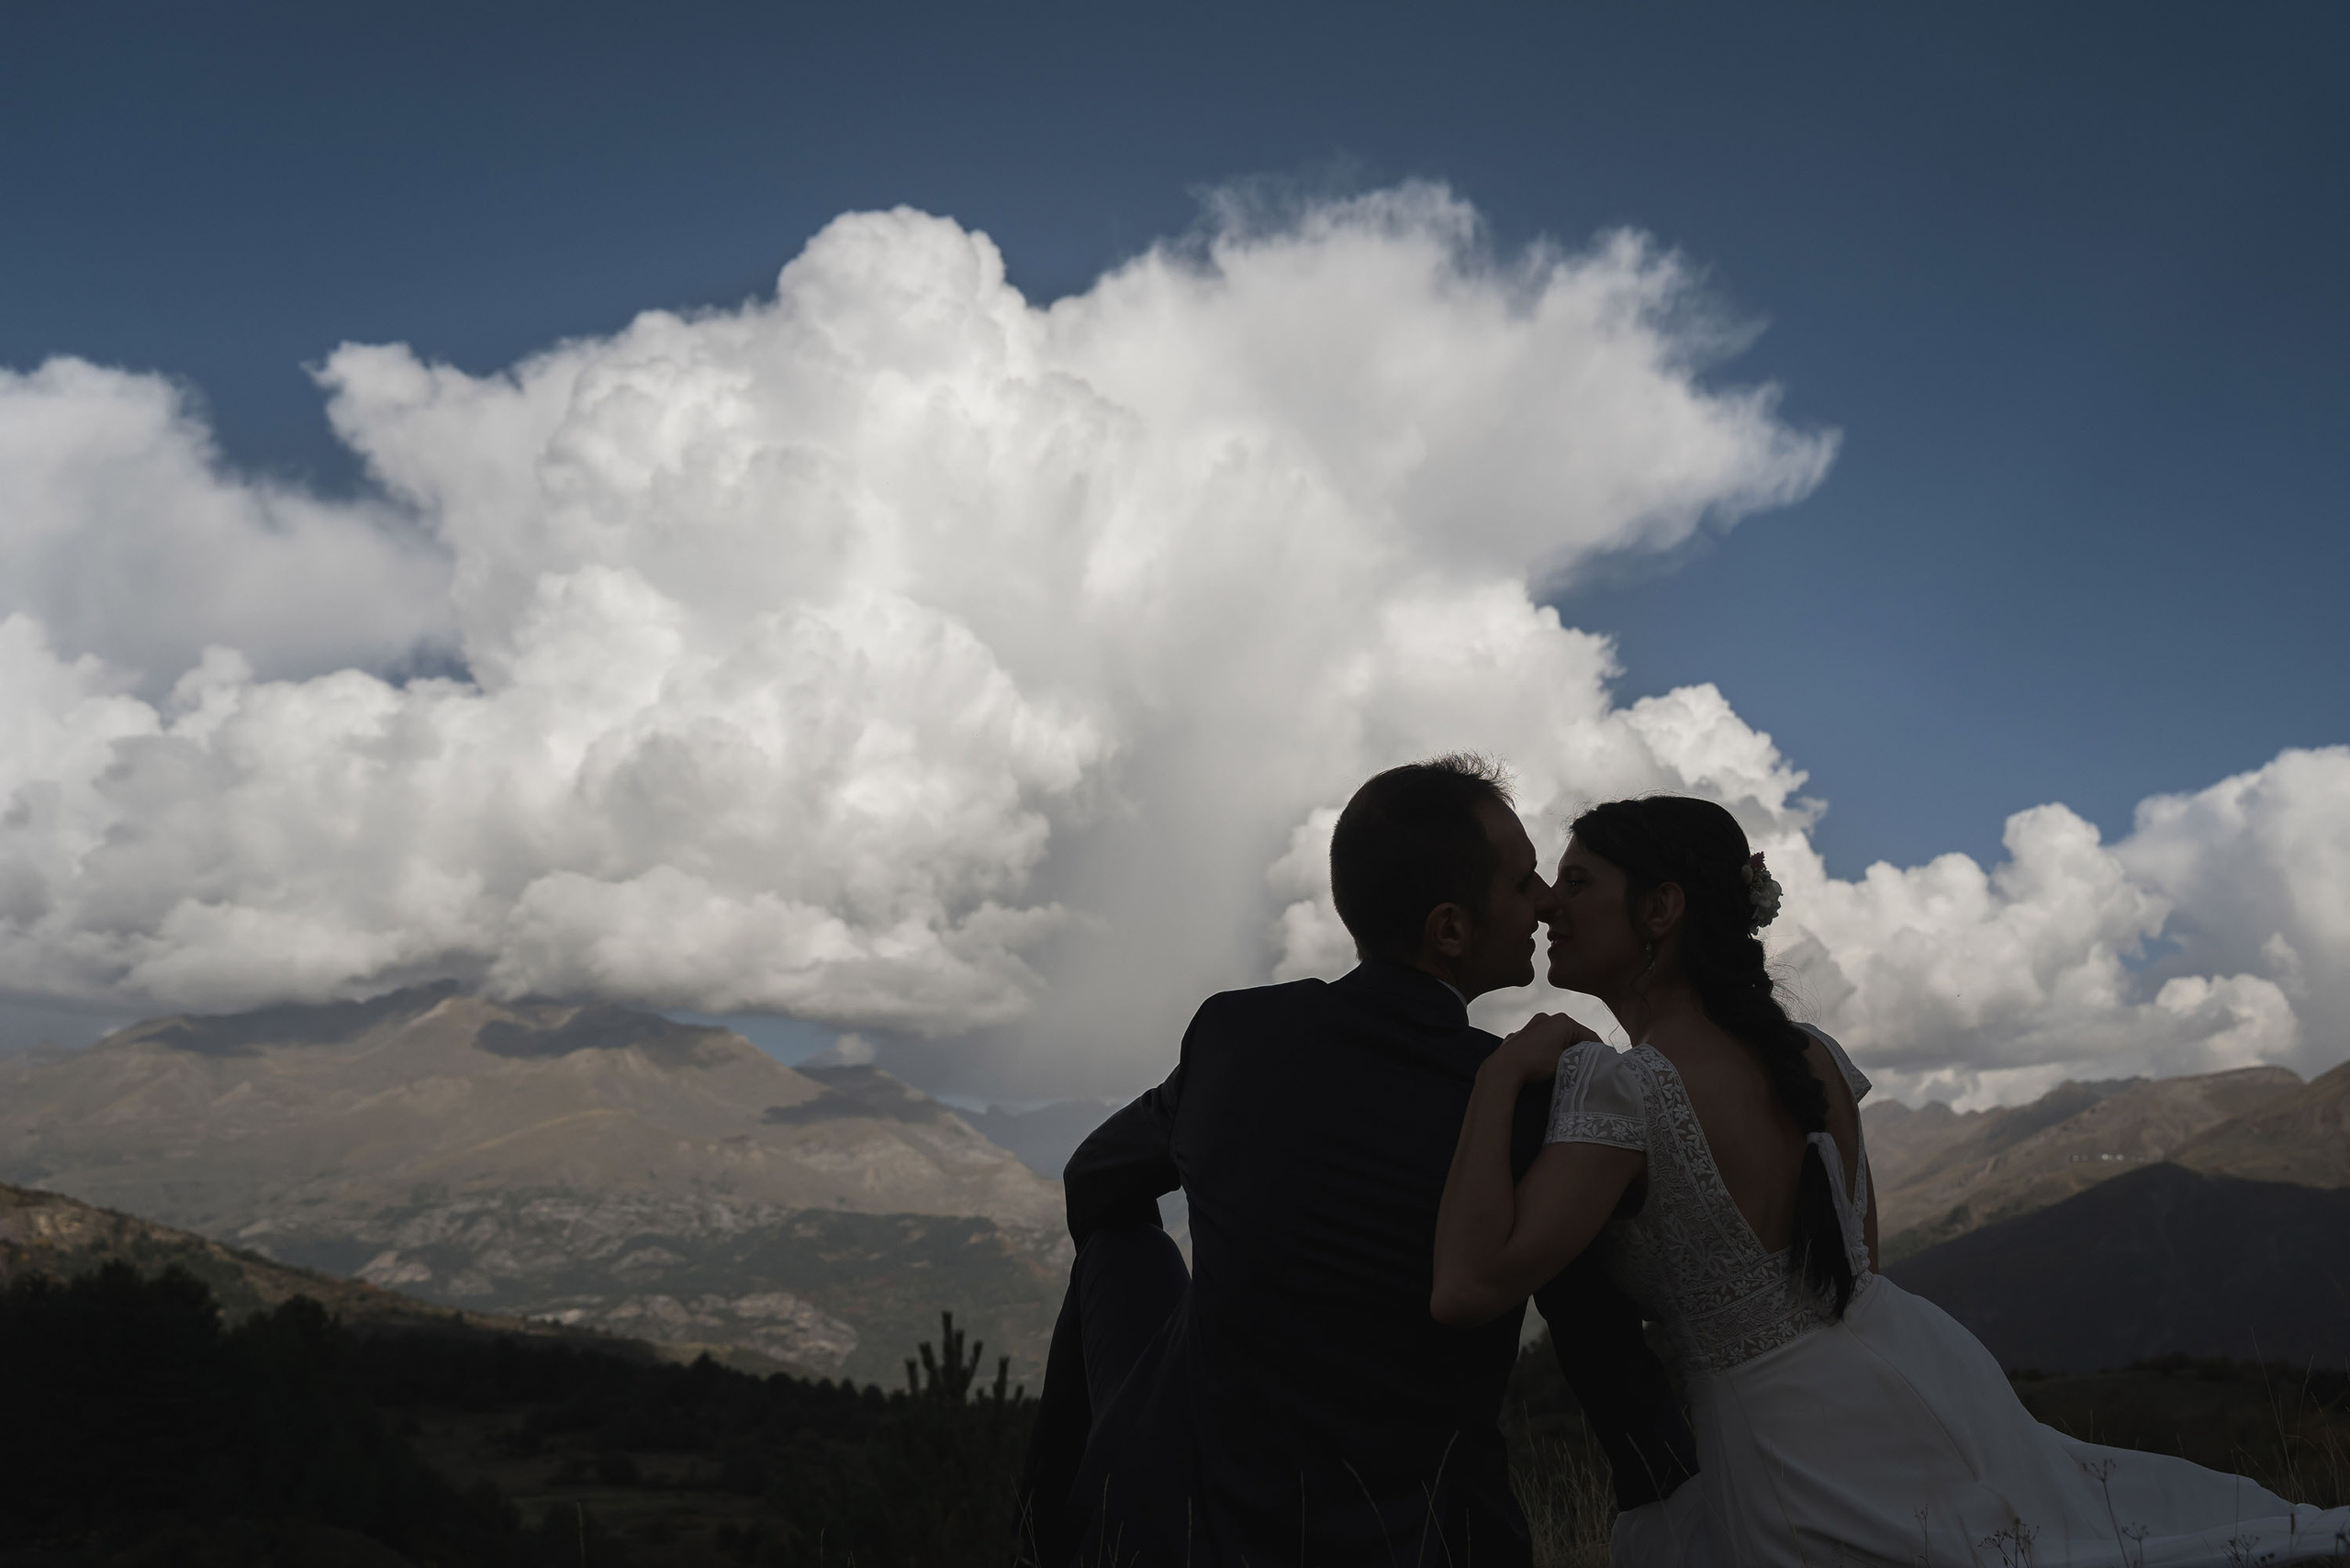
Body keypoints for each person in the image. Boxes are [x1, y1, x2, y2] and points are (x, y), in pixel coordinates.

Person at [1432, 793, 2350, 1567]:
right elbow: (1854, 1257)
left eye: (1579, 881)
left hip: (1787, 1443)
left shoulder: (1622, 1087)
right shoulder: (1812, 1057)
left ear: (1661, 909)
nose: (1551, 902)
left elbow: (1469, 1285)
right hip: (1917, 1369)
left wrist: (1499, 1077)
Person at [1019, 757, 1697, 1568]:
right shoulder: (1527, 1100)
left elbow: (1095, 1181)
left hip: (1190, 1517)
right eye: (1525, 885)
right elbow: (1600, 1352)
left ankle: (1045, 1544)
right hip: (1419, 1537)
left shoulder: (1238, 1037)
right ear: (1450, 929)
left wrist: (1176, 1373)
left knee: (1114, 1246)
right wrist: (1686, 1493)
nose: (1548, 900)